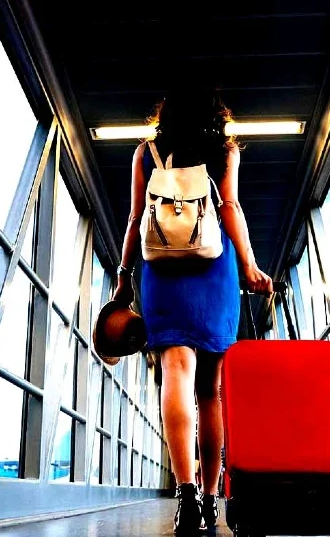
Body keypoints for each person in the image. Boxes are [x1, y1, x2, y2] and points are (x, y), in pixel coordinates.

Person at [112, 86, 273, 535]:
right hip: (213, 268)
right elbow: (233, 208)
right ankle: (209, 496)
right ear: (214, 114)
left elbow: (133, 218)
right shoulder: (224, 151)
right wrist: (250, 266)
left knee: (175, 374)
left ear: (166, 115)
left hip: (160, 270)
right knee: (210, 391)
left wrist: (125, 276)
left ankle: (184, 496)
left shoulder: (146, 152)